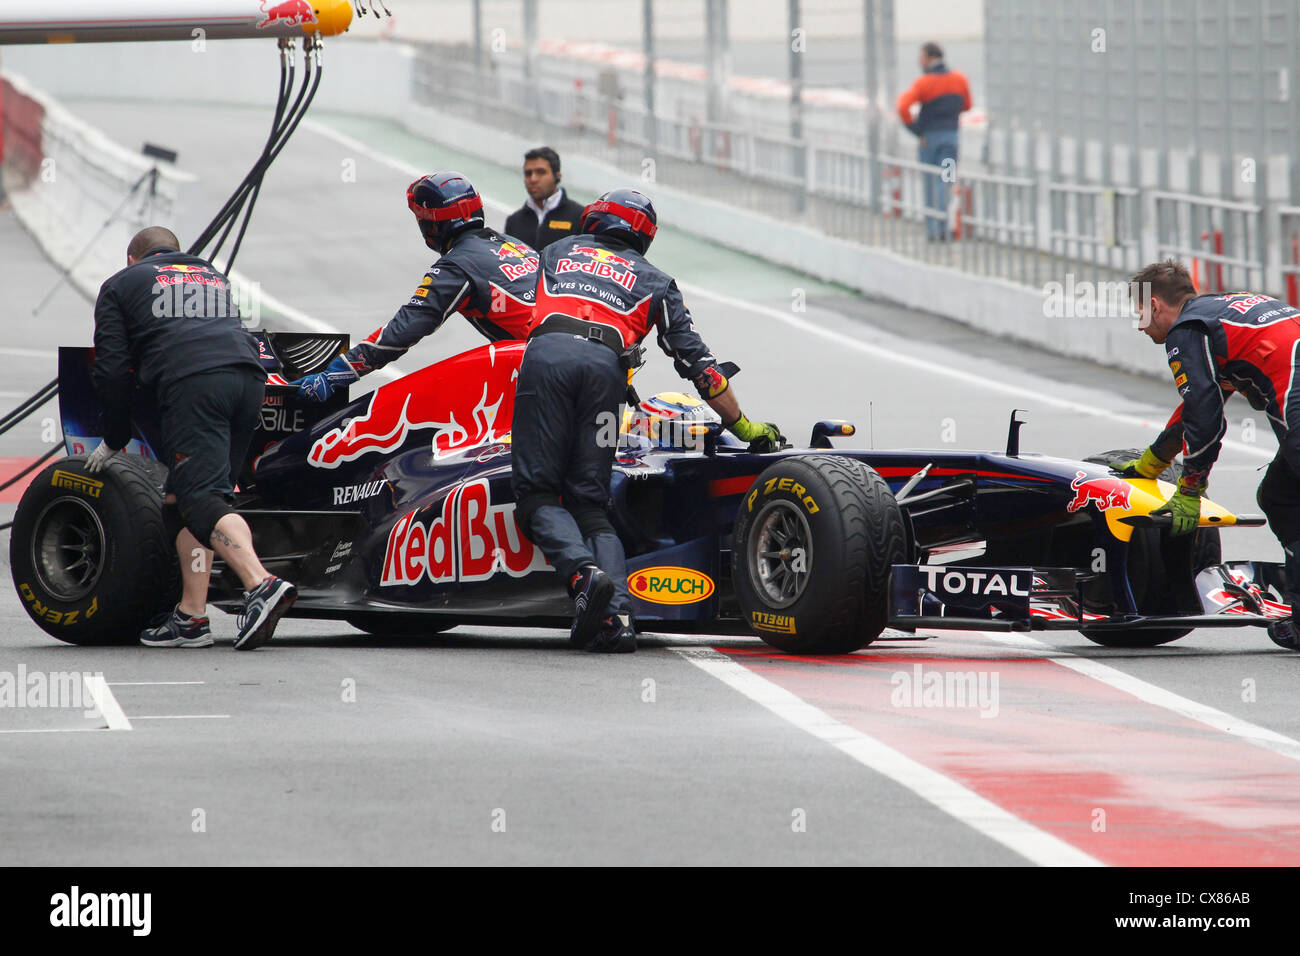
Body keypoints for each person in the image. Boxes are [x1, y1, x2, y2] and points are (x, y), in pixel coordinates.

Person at [511, 188, 784, 653]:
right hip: (605, 372)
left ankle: (583, 576)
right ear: (644, 237)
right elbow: (702, 367)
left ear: (594, 221)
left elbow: (508, 303)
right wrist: (744, 427)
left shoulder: (557, 250)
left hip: (549, 358)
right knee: (591, 504)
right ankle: (617, 618)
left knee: (536, 493)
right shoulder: (658, 282)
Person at [88, 226, 295, 650]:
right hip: (250, 382)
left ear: (133, 259)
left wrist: (113, 437)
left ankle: (261, 584)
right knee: (182, 501)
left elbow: (111, 369)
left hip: (196, 385)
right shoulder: (210, 274)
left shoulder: (120, 284)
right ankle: (191, 616)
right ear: (176, 254)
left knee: (201, 500)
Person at [1121, 259, 1300, 650]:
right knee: (1281, 497)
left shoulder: (1186, 330)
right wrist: (1154, 460)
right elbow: (1201, 402)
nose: (1141, 326)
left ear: (1154, 306)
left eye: (1139, 313)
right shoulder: (1219, 311)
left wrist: (1190, 485)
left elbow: (1205, 413)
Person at [292, 171, 539, 402]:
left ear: (432, 226)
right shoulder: (517, 246)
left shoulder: (456, 267)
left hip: (547, 365)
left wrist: (334, 375)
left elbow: (402, 332)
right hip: (567, 347)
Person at [896, 41, 971, 241]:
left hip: (929, 141)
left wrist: (916, 131)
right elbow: (967, 104)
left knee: (930, 182)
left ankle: (933, 229)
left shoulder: (924, 83)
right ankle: (945, 225)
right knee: (945, 181)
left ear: (929, 58)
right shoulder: (959, 79)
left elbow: (902, 107)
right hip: (951, 140)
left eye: (921, 58)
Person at [503, 147, 584, 251]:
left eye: (540, 172)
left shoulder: (580, 217)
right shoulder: (514, 221)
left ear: (557, 176)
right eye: (528, 173)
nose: (533, 179)